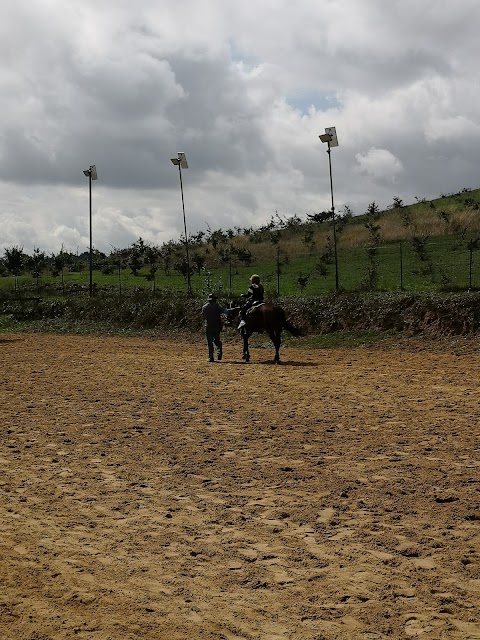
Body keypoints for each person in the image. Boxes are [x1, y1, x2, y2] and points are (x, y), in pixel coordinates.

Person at [201, 293, 228, 362]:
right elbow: (225, 312)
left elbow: (203, 317)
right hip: (217, 326)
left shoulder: (204, 307)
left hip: (208, 326)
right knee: (217, 340)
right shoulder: (217, 307)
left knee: (210, 343)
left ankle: (211, 357)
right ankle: (219, 351)